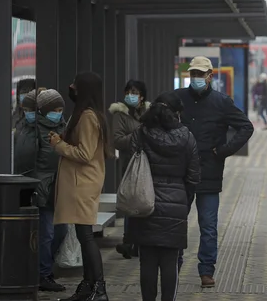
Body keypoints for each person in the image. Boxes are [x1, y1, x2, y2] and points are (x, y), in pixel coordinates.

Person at [174, 56, 254, 288]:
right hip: (182, 173)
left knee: (208, 227)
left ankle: (206, 271)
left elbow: (246, 127)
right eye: (194, 74)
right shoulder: (178, 99)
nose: (197, 78)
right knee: (177, 223)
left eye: (201, 74)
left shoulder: (221, 102)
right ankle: (174, 266)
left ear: (210, 75)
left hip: (209, 173)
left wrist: (224, 151)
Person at [125, 92, 200, 301]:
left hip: (144, 201)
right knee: (170, 261)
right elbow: (193, 176)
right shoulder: (187, 136)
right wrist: (184, 202)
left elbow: (131, 166)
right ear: (176, 113)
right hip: (176, 202)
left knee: (147, 261)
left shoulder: (141, 133)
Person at [49, 72, 112, 301]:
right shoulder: (91, 115)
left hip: (82, 184)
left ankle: (99, 288)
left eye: (75, 84)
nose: (70, 86)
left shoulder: (87, 117)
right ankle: (88, 286)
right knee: (83, 234)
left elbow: (85, 153)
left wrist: (59, 145)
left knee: (86, 236)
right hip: (83, 183)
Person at [109, 79, 150, 259]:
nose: (130, 96)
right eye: (128, 92)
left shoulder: (150, 112)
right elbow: (117, 140)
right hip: (130, 164)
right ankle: (129, 241)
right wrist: (138, 136)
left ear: (142, 96)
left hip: (148, 163)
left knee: (145, 199)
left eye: (134, 92)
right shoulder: (120, 114)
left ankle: (141, 242)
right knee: (131, 202)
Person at [34, 89, 70, 292]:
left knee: (61, 231)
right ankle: (43, 274)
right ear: (45, 110)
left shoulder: (63, 126)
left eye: (60, 109)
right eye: (55, 109)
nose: (58, 113)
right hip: (44, 187)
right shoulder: (36, 129)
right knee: (46, 233)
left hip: (60, 187)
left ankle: (44, 267)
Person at [13, 89, 39, 176]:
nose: (28, 113)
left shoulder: (42, 129)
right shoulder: (22, 124)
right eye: (26, 110)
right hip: (21, 175)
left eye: (30, 110)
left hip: (34, 179)